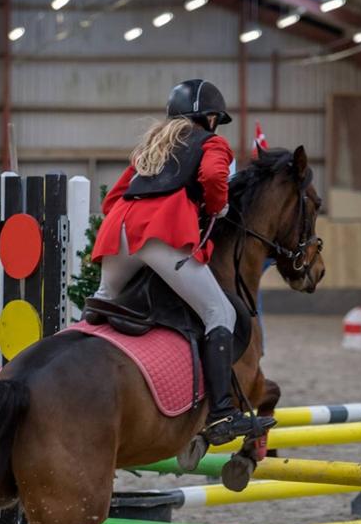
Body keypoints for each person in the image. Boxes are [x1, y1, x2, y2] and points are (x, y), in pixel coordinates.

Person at [88, 78, 260, 446]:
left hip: (118, 229)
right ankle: (221, 414)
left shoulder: (153, 144)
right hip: (160, 233)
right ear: (211, 118)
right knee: (220, 314)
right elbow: (214, 177)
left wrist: (128, 231)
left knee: (104, 298)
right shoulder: (212, 142)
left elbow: (114, 197)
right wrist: (217, 205)